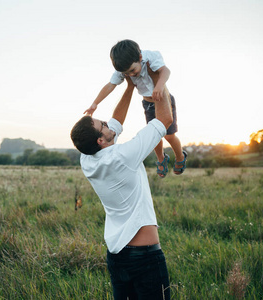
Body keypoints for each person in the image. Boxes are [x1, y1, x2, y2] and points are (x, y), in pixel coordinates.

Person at [71, 76, 172, 299]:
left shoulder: (86, 159)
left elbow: (116, 120)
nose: (107, 124)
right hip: (145, 258)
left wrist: (129, 86)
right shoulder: (123, 155)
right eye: (102, 125)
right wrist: (158, 82)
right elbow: (164, 120)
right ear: (101, 140)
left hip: (117, 256)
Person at [84, 39, 187, 177]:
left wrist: (159, 86)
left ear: (139, 57)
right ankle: (161, 159)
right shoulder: (123, 69)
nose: (131, 75)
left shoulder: (151, 57)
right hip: (148, 103)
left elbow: (165, 71)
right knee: (154, 135)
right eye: (127, 73)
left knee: (169, 135)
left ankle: (180, 156)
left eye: (133, 70)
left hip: (164, 99)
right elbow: (110, 85)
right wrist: (95, 103)